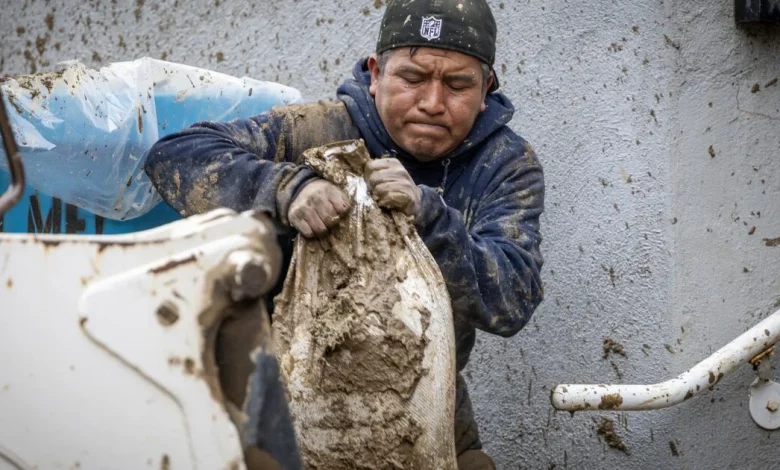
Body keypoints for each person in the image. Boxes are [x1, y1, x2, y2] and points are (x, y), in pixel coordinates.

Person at [145, 0, 544, 468]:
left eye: (458, 85)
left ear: (486, 89)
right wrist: (285, 189)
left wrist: (429, 216)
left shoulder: (503, 165)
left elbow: (511, 300)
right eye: (412, 79)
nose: (433, 103)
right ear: (375, 73)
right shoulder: (313, 129)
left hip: (422, 403)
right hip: (288, 395)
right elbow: (175, 155)